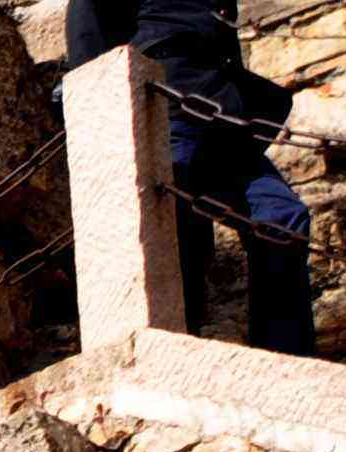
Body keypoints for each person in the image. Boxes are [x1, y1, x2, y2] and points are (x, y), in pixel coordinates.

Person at [68, 0, 320, 356]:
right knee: (174, 220)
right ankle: (176, 348)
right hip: (165, 105)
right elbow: (88, 13)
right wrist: (91, 94)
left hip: (223, 116)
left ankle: (287, 357)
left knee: (283, 217)